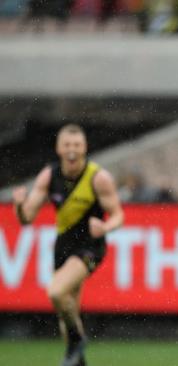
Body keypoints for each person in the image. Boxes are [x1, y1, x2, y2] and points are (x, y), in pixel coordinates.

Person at [12, 124, 124, 366]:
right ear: (58, 148)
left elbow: (118, 215)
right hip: (63, 246)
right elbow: (26, 219)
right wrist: (19, 206)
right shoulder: (49, 175)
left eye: (77, 145)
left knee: (56, 291)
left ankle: (78, 340)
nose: (72, 150)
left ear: (84, 148)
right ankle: (78, 358)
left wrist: (105, 228)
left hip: (90, 246)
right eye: (67, 145)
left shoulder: (98, 177)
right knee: (67, 310)